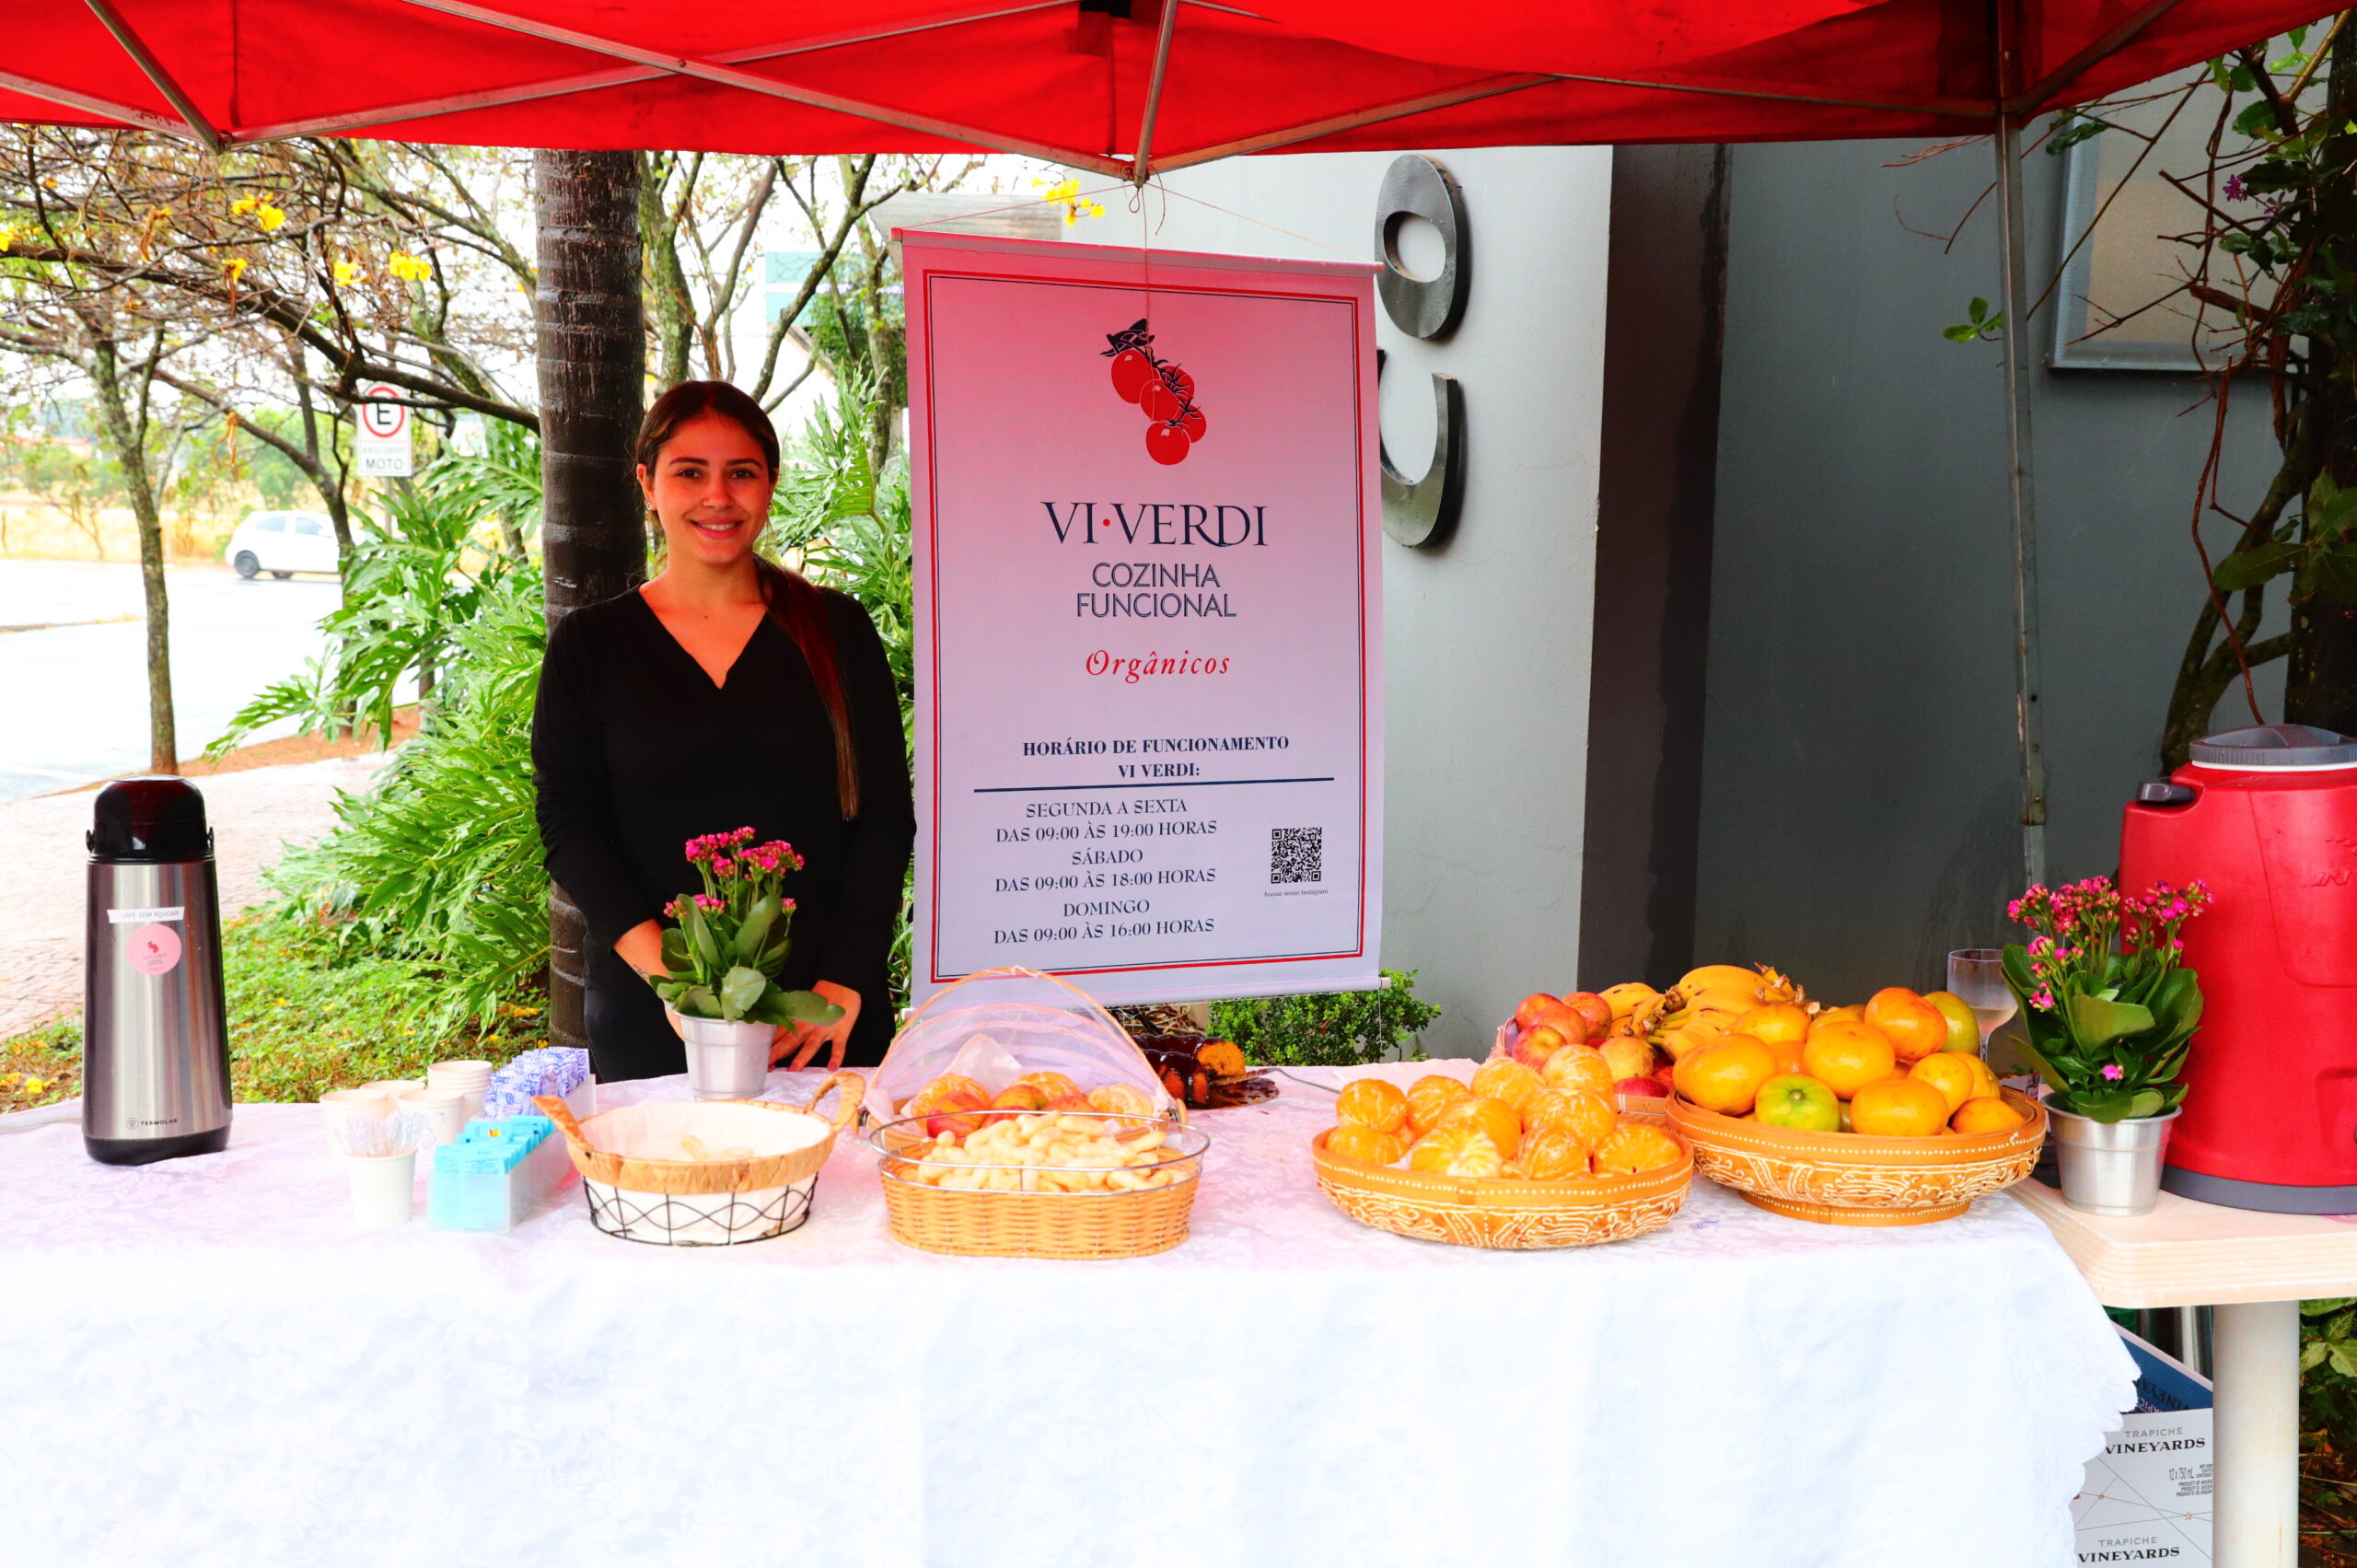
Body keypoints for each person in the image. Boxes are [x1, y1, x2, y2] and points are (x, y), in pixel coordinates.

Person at [532, 380, 914, 1079]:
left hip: (821, 1016)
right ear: (647, 484)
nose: (717, 497)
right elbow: (569, 824)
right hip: (654, 1012)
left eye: (741, 473)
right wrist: (677, 986)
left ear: (770, 484)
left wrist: (844, 980)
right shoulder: (591, 645)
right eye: (689, 473)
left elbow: (883, 816)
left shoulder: (836, 630)